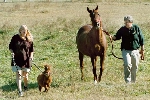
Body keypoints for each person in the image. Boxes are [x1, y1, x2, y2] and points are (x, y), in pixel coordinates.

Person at [110, 15, 144, 83]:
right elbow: (117, 36)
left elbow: (141, 39)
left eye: (127, 22)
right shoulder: (122, 29)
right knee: (127, 64)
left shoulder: (136, 28)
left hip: (135, 50)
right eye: (125, 22)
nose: (126, 24)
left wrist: (142, 50)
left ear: (131, 22)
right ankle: (127, 81)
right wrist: (112, 37)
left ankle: (133, 81)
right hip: (126, 50)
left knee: (135, 66)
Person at [9, 25, 34, 96]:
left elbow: (32, 50)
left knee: (25, 75)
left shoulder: (29, 39)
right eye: (23, 30)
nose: (24, 31)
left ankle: (25, 86)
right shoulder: (15, 38)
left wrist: (31, 57)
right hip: (17, 59)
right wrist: (12, 52)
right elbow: (10, 47)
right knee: (18, 75)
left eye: (25, 30)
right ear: (20, 30)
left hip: (26, 60)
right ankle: (20, 91)